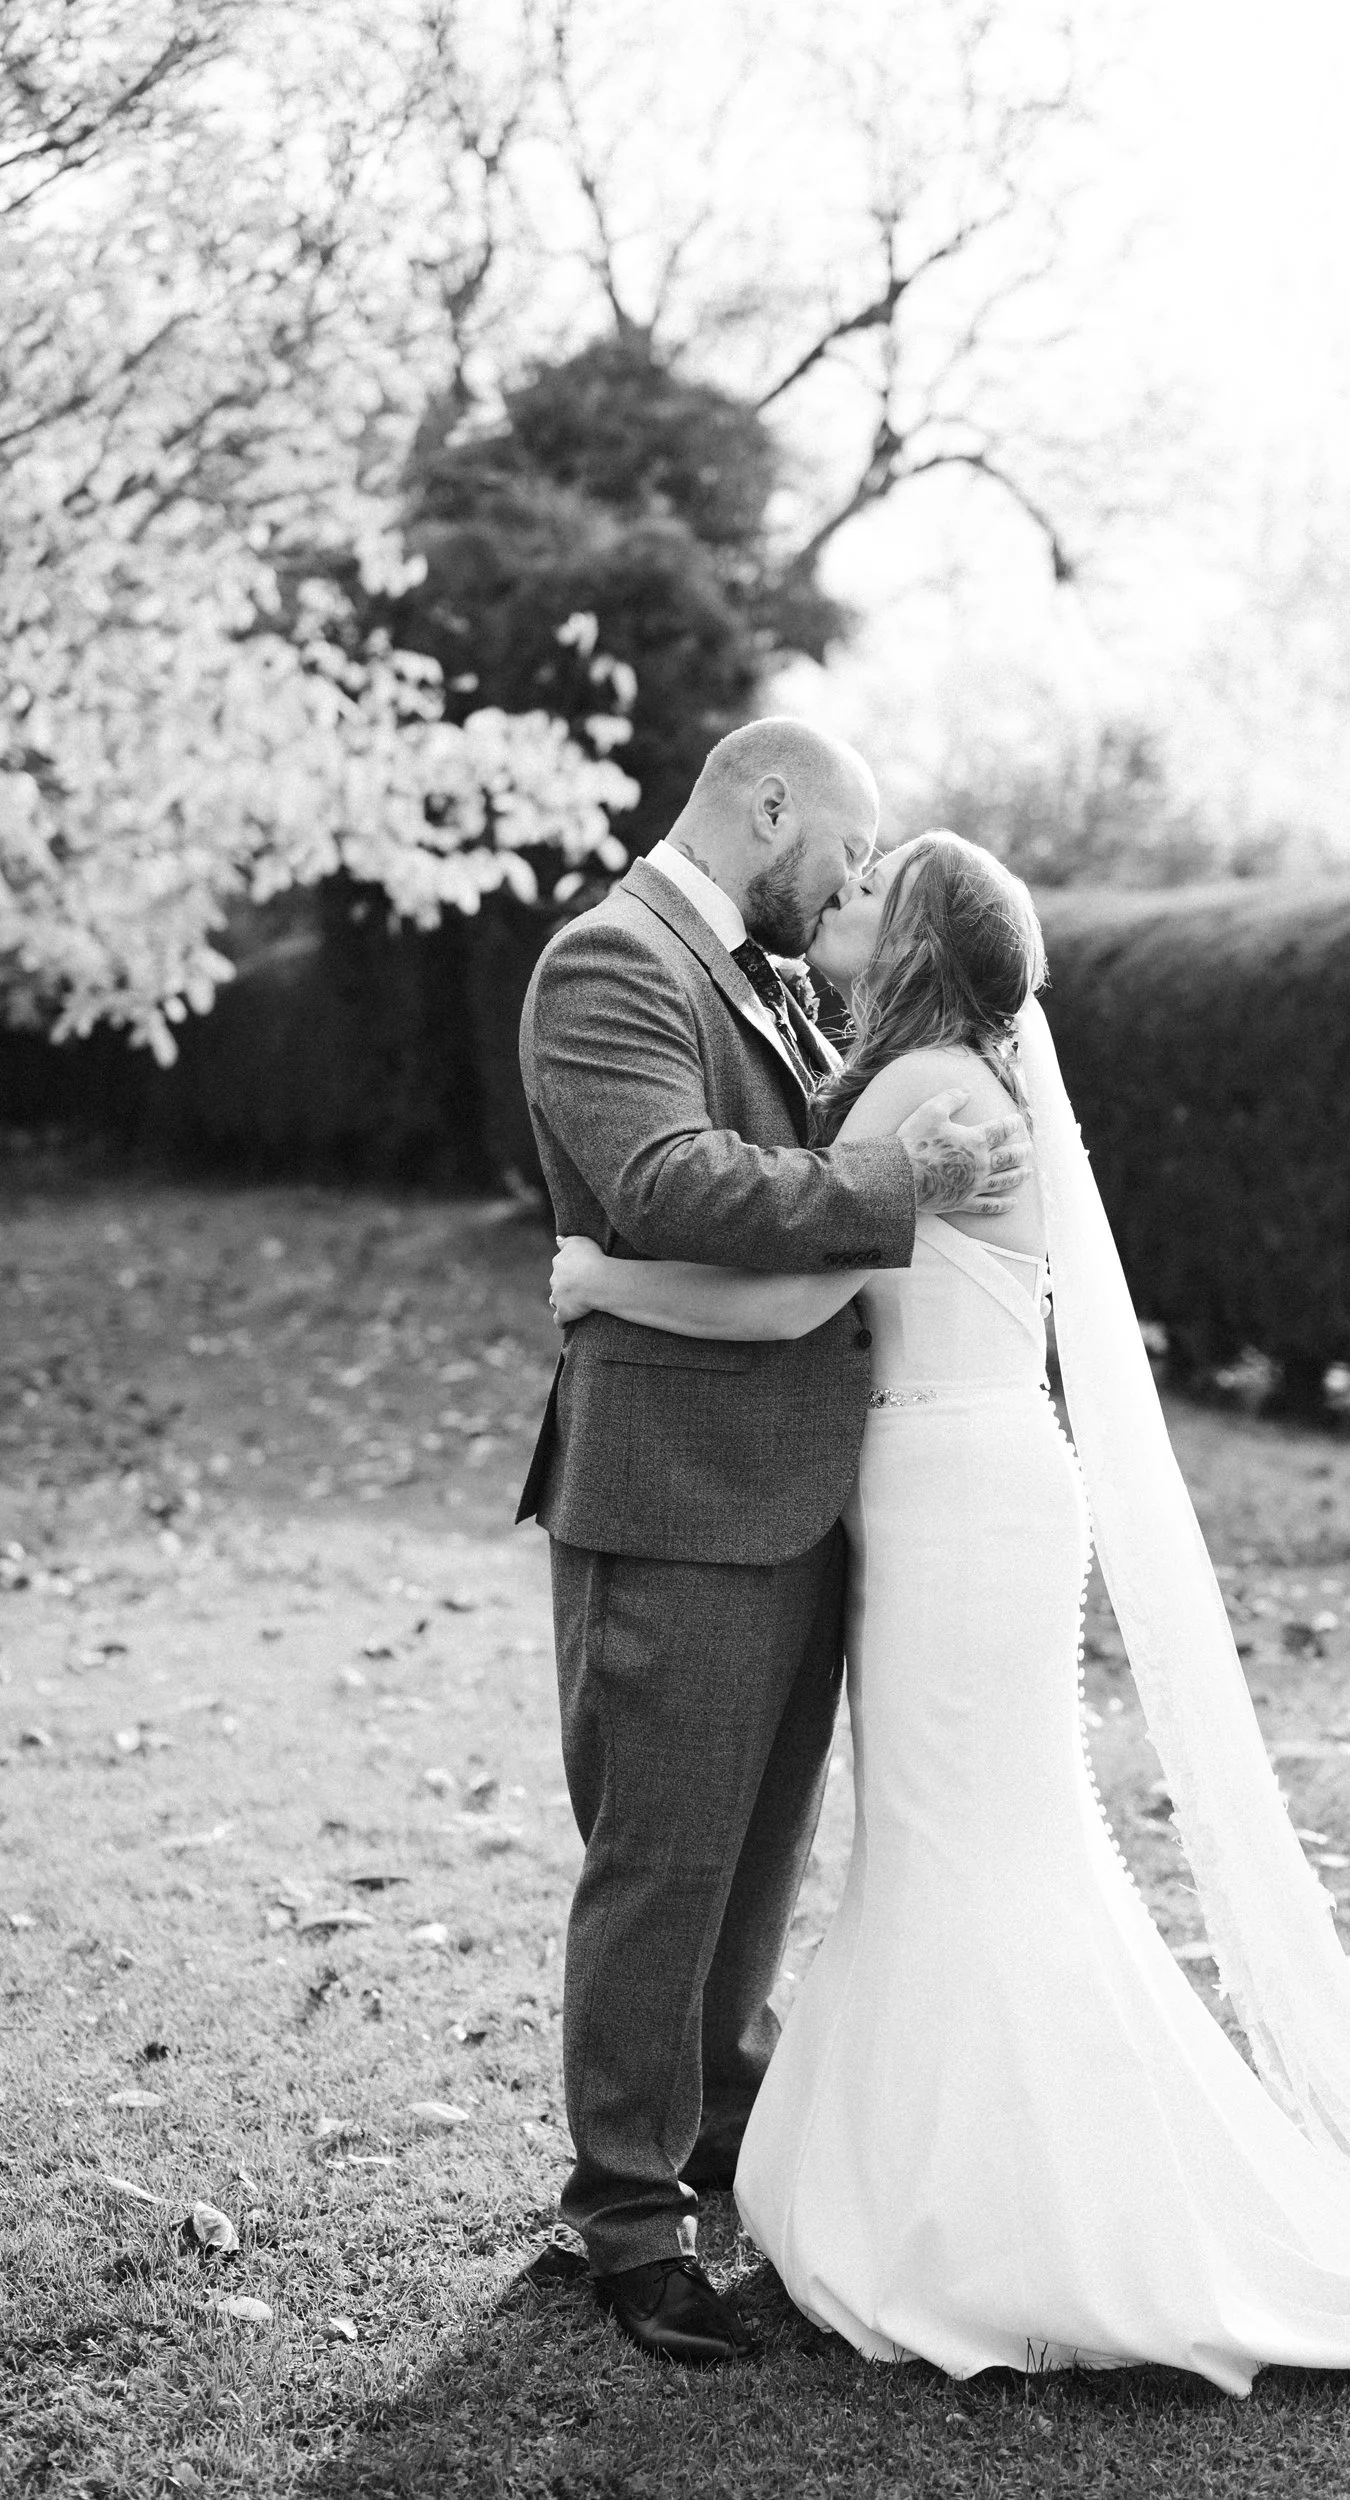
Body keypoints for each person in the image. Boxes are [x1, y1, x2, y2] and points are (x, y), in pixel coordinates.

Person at [545, 826, 1350, 2390]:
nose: (843, 898)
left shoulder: (925, 1093)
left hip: (953, 1500)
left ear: (919, 941)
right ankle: (987, 2173)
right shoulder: (943, 1076)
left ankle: (1034, 2213)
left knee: (964, 1842)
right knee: (977, 1835)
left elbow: (798, 1292)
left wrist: (599, 1283)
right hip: (956, 1489)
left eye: (873, 891)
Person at [515, 721, 1033, 2366]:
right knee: (663, 1859)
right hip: (672, 1489)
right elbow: (668, 1183)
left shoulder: (778, 977)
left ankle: (720, 2118)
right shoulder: (610, 964)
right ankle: (625, 2215)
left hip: (806, 1493)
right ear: (767, 802)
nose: (850, 885)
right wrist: (893, 1174)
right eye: (846, 848)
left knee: (754, 1860)